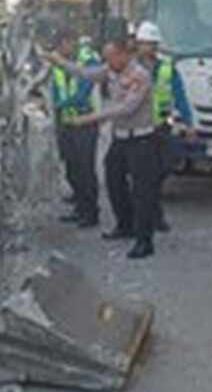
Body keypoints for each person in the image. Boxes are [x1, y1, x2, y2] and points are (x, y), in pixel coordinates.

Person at [45, 38, 159, 260]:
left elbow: (126, 108)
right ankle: (125, 225)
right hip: (120, 137)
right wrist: (58, 61)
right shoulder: (111, 70)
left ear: (123, 55)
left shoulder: (139, 75)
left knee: (142, 191)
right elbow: (85, 73)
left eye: (111, 57)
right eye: (106, 58)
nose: (108, 63)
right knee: (113, 180)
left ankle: (145, 241)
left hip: (141, 139)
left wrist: (89, 119)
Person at [134, 21, 196, 232]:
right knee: (143, 175)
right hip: (138, 128)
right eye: (143, 43)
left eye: (151, 44)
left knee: (165, 167)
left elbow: (180, 97)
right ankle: (152, 217)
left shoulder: (167, 68)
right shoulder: (130, 67)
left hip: (161, 127)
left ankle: (152, 212)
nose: (147, 48)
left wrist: (189, 123)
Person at [48, 28, 101, 228]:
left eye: (62, 46)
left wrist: (57, 106)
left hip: (86, 122)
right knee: (72, 169)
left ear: (70, 42)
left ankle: (91, 212)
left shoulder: (89, 60)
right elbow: (55, 88)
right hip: (67, 123)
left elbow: (82, 94)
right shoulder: (59, 63)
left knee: (85, 169)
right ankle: (79, 207)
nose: (60, 52)